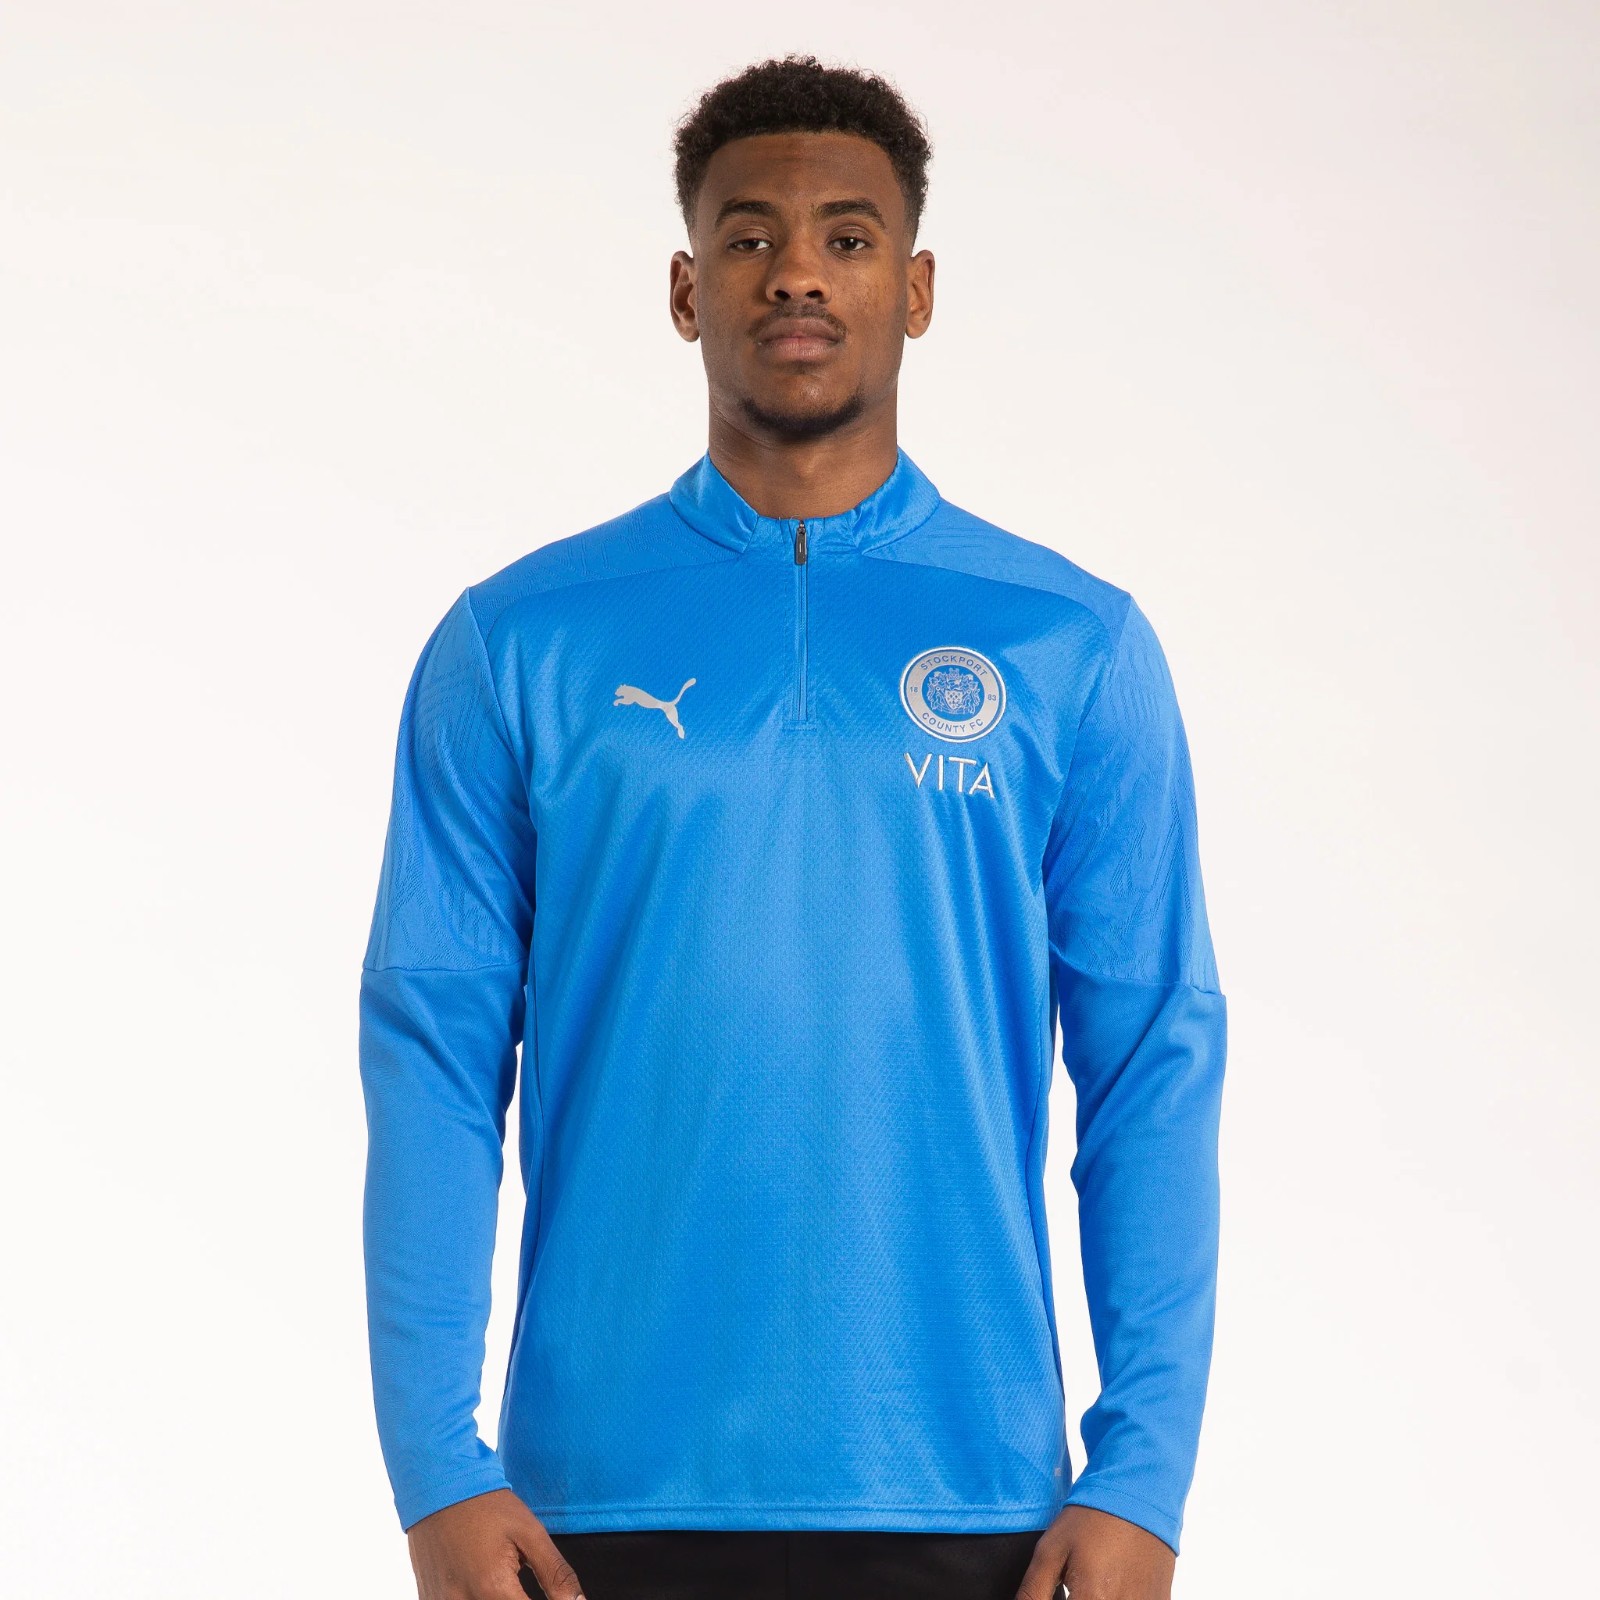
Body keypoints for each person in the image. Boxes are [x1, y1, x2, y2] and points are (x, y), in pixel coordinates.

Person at [358, 51, 1227, 1600]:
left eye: (848, 237)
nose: (798, 274)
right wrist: (436, 1462)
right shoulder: (521, 642)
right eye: (750, 237)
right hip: (592, 1509)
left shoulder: (1067, 644)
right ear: (687, 290)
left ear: (918, 289)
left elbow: (1152, 1059)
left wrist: (1144, 1476)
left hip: (972, 1500)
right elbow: (432, 1051)